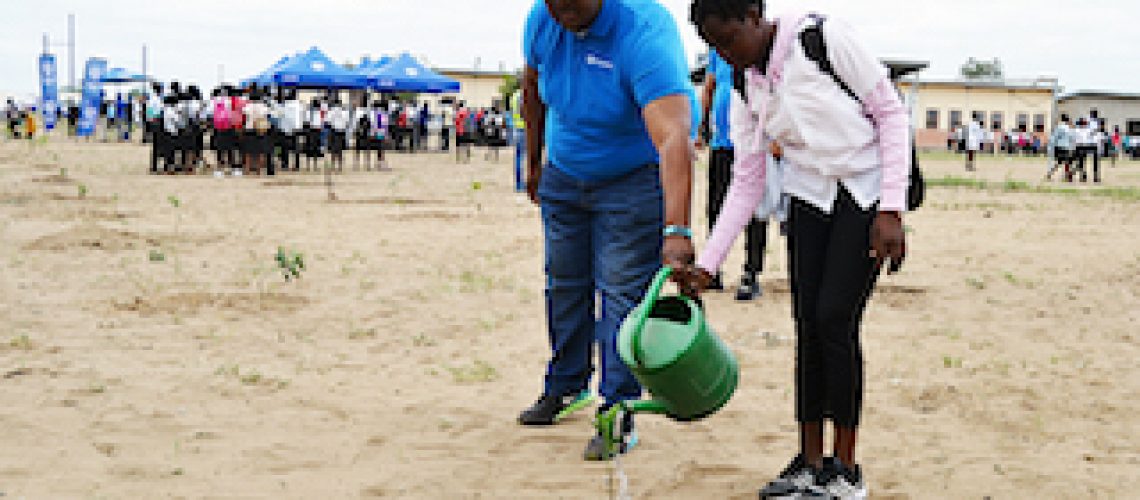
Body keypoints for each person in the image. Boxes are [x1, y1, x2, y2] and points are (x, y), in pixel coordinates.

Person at [680, 2, 910, 497]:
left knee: (834, 320)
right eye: (714, 46)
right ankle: (808, 462)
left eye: (729, 40)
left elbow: (891, 114)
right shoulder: (744, 85)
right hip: (808, 198)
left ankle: (845, 470)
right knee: (806, 325)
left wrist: (891, 208)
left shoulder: (821, 41)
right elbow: (746, 182)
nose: (725, 54)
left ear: (753, 15)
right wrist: (707, 263)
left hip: (865, 196)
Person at [517, 0, 697, 461]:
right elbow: (532, 86)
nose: (561, 10)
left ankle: (618, 410)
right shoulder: (543, 19)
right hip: (565, 170)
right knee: (564, 286)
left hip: (632, 181)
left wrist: (677, 229)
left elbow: (675, 135)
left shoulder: (643, 31)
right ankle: (565, 385)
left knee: (620, 295)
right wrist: (533, 160)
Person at [699, 48, 767, 300]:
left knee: (755, 211)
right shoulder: (717, 52)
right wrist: (701, 124)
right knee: (716, 207)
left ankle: (751, 272)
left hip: (753, 143)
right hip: (721, 142)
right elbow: (709, 86)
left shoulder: (757, 46)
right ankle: (713, 270)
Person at [1046, 114, 1075, 181]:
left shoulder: (1058, 127)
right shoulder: (1069, 128)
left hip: (1059, 147)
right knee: (1067, 162)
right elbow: (1072, 139)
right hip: (1066, 147)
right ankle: (1066, 176)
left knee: (1059, 162)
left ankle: (1050, 173)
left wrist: (1051, 147)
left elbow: (1054, 138)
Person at [510, 90, 526, 191]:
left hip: (516, 128)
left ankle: (518, 184)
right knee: (526, 158)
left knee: (518, 158)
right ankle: (522, 184)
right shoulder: (524, 94)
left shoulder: (514, 96)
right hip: (525, 129)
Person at [1072, 118, 1095, 183]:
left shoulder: (1077, 130)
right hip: (1083, 147)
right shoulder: (1087, 130)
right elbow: (1090, 138)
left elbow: (1074, 139)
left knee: (1081, 162)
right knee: (1082, 162)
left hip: (1079, 147)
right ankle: (1083, 176)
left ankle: (1081, 175)